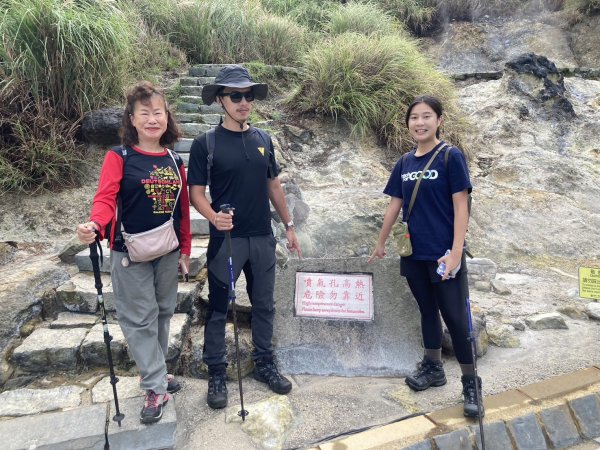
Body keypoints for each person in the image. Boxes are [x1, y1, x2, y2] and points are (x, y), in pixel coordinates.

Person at [76, 81, 191, 424]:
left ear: (167, 118)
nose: (153, 119)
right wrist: (95, 225)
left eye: (158, 112)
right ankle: (156, 386)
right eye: (145, 113)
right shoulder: (119, 156)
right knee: (139, 319)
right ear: (132, 119)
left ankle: (153, 372)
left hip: (167, 251)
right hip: (129, 250)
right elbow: (106, 198)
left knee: (163, 313)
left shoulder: (174, 158)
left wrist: (185, 248)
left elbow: (181, 209)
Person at [187, 64, 301, 409]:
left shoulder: (263, 139)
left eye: (247, 95)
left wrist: (289, 224)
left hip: (263, 238)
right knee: (220, 308)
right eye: (235, 95)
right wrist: (212, 217)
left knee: (265, 304)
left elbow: (273, 185)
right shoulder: (205, 143)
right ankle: (217, 372)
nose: (243, 102)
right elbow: (195, 192)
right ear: (221, 100)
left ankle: (265, 362)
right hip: (228, 241)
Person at [368, 95, 483, 418]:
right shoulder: (405, 162)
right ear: (408, 124)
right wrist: (380, 242)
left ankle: (471, 382)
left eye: (426, 116)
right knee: (427, 312)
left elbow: (462, 205)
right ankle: (433, 367)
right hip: (415, 253)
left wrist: (457, 251)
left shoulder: (450, 157)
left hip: (444, 254)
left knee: (457, 320)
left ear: (439, 120)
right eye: (414, 118)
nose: (420, 122)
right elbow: (395, 204)